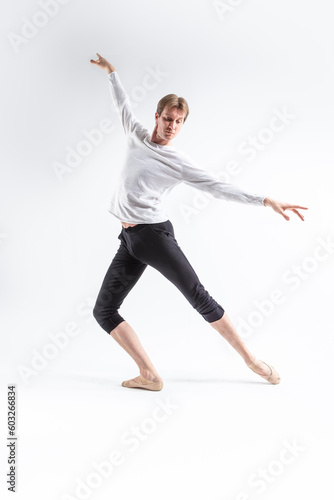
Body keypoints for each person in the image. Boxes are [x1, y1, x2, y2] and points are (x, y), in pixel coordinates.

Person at [90, 53, 308, 391]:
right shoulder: (135, 133)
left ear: (182, 123)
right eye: (167, 119)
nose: (172, 126)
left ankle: (250, 359)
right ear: (157, 117)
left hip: (153, 235)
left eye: (178, 121)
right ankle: (149, 375)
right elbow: (123, 105)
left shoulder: (178, 161)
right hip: (129, 240)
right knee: (104, 310)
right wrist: (112, 72)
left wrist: (265, 200)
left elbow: (219, 187)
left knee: (197, 295)